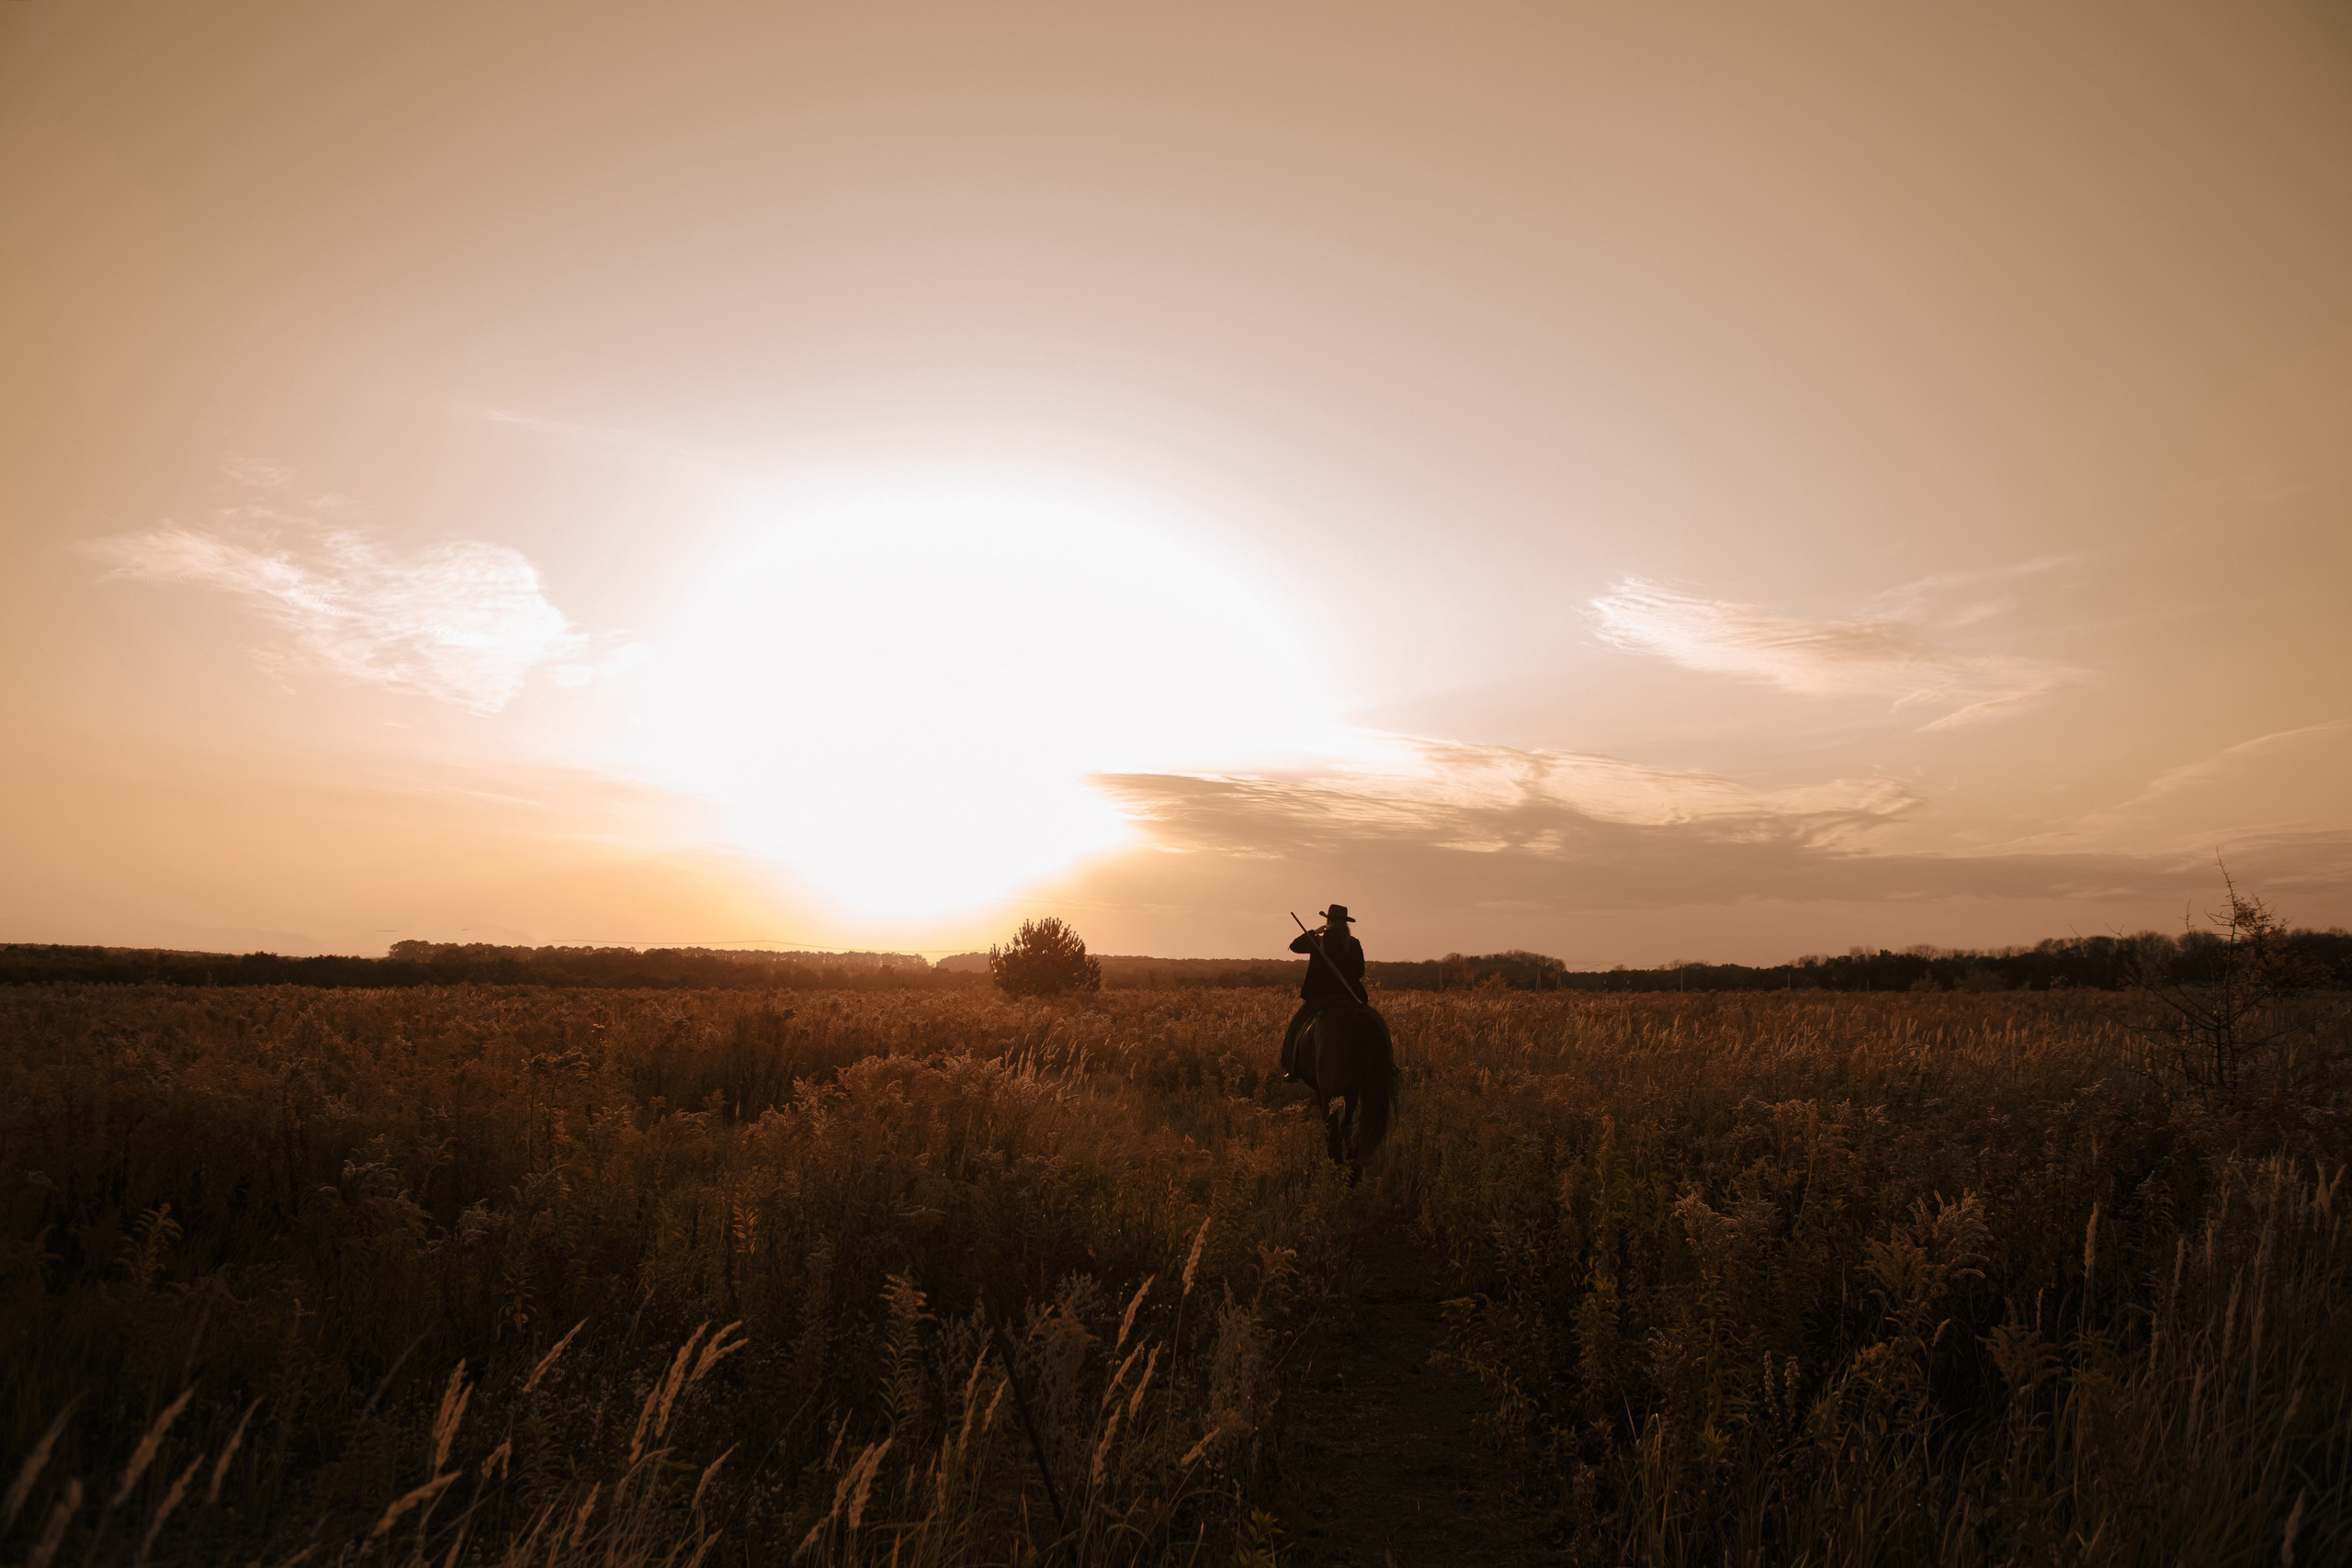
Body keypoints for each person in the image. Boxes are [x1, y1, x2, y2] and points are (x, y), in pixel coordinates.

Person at [1282, 905, 1365, 1081]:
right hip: (1349, 995)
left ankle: (1292, 1069)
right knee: (1371, 1022)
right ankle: (1388, 1065)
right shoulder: (1354, 943)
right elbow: (1360, 971)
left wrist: (1314, 931)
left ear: (1328, 920)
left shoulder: (1319, 940)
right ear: (1345, 923)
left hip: (1321, 996)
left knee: (1296, 1027)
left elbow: (1295, 946)